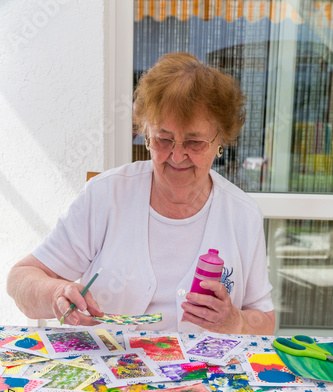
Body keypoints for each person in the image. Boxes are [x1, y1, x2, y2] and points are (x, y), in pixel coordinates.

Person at [6, 52, 275, 335]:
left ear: (220, 141)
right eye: (163, 139)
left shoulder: (243, 215)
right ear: (145, 135)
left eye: (194, 142)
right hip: (110, 373)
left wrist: (236, 321)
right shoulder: (106, 195)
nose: (177, 155)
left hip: (206, 375)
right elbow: (20, 279)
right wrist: (56, 292)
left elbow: (266, 322)